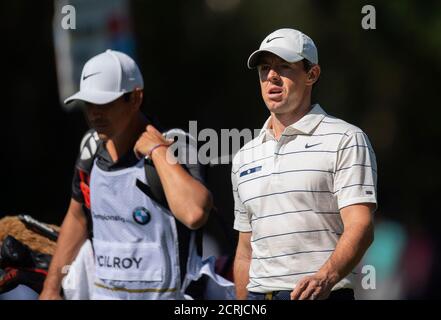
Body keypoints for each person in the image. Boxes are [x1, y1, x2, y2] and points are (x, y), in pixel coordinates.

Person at [39, 49, 213, 300]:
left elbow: (194, 213)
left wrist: (158, 152)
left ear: (135, 98)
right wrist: (51, 287)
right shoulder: (90, 148)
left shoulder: (177, 145)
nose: (95, 113)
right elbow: (77, 216)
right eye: (89, 103)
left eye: (105, 103)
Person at [232, 28, 377, 300]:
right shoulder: (244, 156)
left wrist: (326, 276)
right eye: (264, 68)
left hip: (322, 294)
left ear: (312, 75)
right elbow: (245, 251)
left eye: (283, 67)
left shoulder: (346, 138)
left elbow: (361, 225)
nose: (271, 76)